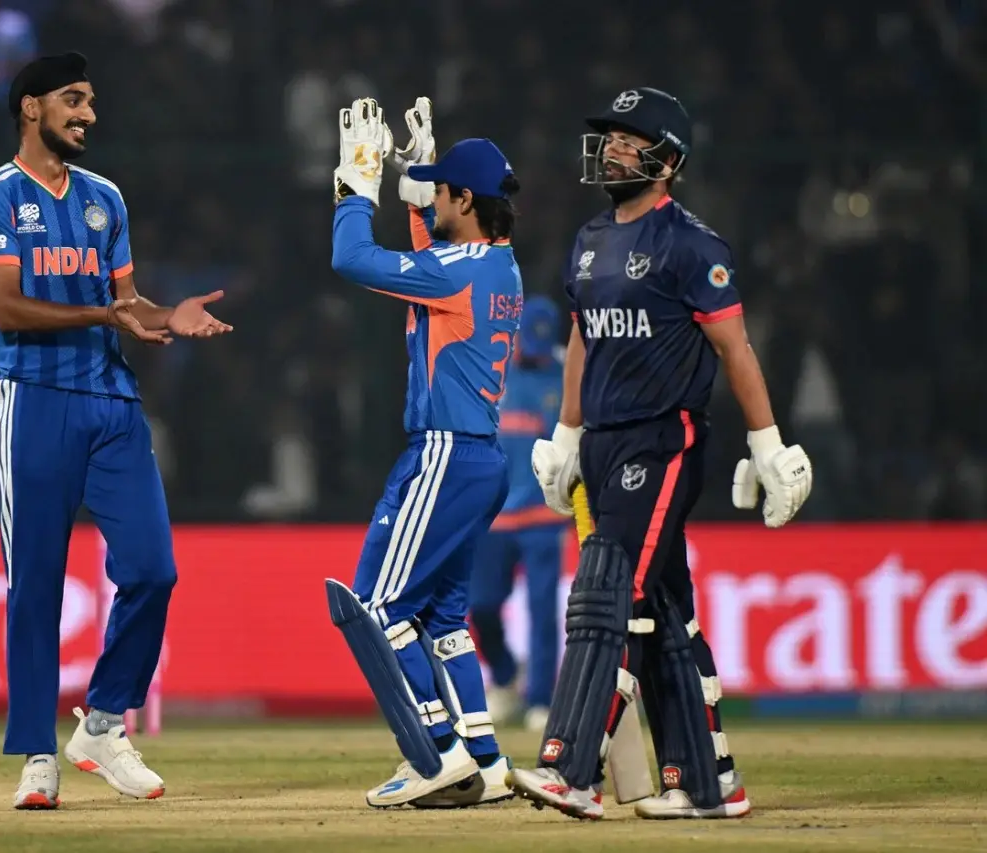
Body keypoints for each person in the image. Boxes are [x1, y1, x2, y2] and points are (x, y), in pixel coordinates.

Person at [508, 87, 812, 820]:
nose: (613, 149)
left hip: (663, 439)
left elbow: (734, 347)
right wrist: (567, 434)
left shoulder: (693, 244)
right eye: (609, 137)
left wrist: (768, 443)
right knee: (668, 611)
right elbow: (584, 337)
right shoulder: (588, 240)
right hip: (605, 443)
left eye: (630, 139)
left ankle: (572, 769)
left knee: (609, 591)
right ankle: (709, 783)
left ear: (667, 161)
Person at [0, 51, 232, 810]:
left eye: (90, 101)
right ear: (31, 107)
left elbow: (128, 303)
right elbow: (8, 308)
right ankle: (36, 756)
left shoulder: (104, 198)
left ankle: (104, 724)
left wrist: (166, 313)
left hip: (112, 402)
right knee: (35, 586)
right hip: (34, 402)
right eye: (73, 100)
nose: (89, 114)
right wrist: (107, 316)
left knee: (152, 570)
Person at [325, 96, 522, 808]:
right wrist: (416, 196)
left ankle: (437, 753)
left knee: (376, 607)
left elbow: (351, 258)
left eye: (441, 192)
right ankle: (486, 760)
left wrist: (355, 186)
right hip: (480, 459)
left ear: (465, 200)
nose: (433, 198)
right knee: (440, 619)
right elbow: (431, 262)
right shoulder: (496, 266)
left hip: (443, 454)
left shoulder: (458, 269)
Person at [469, 295, 567, 732]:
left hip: (544, 516)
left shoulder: (564, 376)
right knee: (481, 607)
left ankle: (541, 699)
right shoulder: (491, 369)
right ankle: (506, 676)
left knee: (543, 612)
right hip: (493, 515)